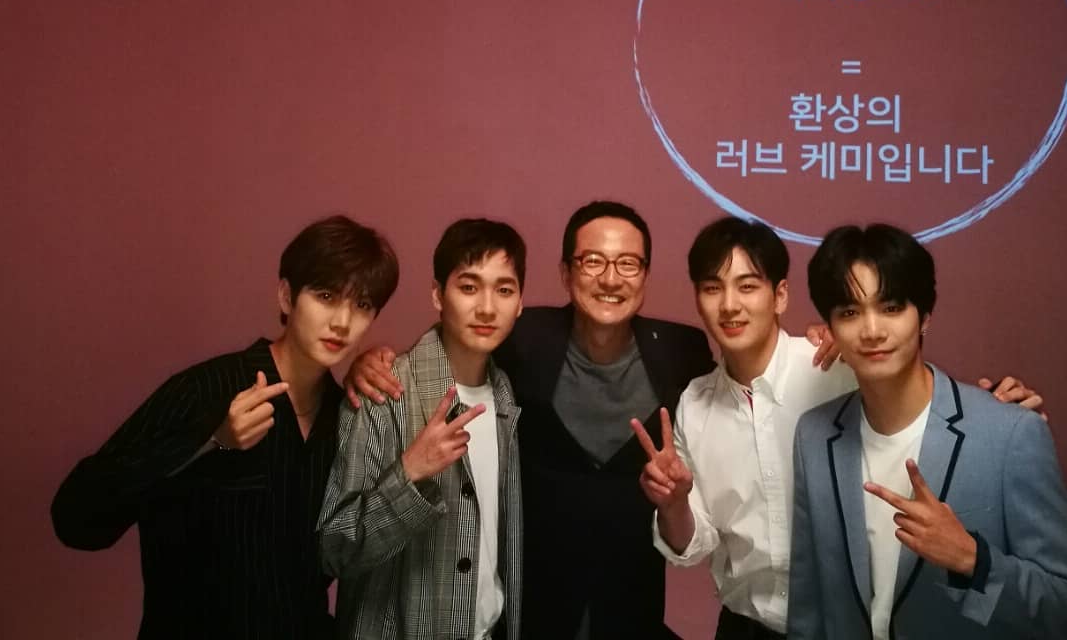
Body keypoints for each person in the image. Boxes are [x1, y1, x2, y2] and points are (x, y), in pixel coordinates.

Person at [633, 217, 1044, 640]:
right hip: (746, 626)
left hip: (849, 624)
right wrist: (674, 503)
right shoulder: (694, 404)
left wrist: (991, 408)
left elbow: (923, 406)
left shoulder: (837, 367)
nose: (730, 305)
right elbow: (693, 545)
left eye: (748, 286)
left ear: (780, 295)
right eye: (712, 288)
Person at [350, 200, 716, 638]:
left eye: (628, 263)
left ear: (645, 275)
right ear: (566, 273)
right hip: (533, 610)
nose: (610, 278)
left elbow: (732, 386)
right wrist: (371, 362)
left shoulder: (681, 350)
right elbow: (454, 347)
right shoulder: (523, 339)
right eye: (593, 261)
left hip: (632, 607)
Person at [51, 214, 399, 640]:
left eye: (361, 305)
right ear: (287, 296)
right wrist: (210, 439)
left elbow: (343, 555)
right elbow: (76, 517)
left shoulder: (347, 419)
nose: (342, 322)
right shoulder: (207, 390)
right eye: (326, 296)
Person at [788, 223, 1067, 639]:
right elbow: (808, 607)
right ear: (830, 330)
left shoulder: (1009, 434)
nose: (872, 330)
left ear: (924, 318)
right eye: (850, 312)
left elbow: (1065, 608)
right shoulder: (814, 437)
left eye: (891, 308)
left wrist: (974, 561)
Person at [318, 218, 526, 640]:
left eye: (504, 290)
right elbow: (334, 550)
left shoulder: (507, 394)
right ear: (437, 294)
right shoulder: (384, 392)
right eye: (468, 287)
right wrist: (409, 474)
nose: (487, 308)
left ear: (520, 303)